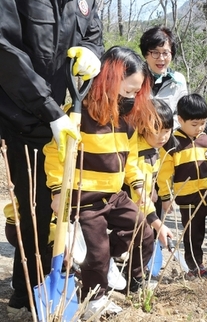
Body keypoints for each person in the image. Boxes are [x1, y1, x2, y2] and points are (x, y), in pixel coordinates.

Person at [0, 0, 103, 313]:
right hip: (15, 118)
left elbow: (92, 35)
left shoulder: (85, 2)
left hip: (58, 119)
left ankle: (30, 291)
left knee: (51, 208)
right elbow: (4, 50)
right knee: (32, 209)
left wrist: (92, 53)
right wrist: (49, 109)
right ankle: (28, 294)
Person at [44, 46, 157, 317]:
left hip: (114, 195)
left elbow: (129, 160)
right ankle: (95, 298)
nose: (131, 97)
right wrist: (59, 191)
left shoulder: (125, 120)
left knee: (143, 230)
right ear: (110, 79)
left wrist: (138, 186)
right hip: (85, 200)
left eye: (135, 92)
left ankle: (124, 273)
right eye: (128, 90)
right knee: (95, 254)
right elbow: (54, 154)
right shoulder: (78, 116)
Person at [157, 93, 207, 278]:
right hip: (187, 196)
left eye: (203, 123)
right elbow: (164, 174)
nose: (200, 128)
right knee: (193, 233)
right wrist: (165, 197)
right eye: (194, 124)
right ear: (180, 120)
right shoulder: (171, 143)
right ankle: (195, 266)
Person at [124, 98, 174, 246]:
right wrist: (157, 223)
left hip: (139, 205)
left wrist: (151, 188)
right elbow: (139, 197)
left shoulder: (151, 148)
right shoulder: (141, 154)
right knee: (141, 238)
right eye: (156, 131)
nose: (163, 137)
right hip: (132, 208)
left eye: (167, 131)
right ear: (142, 126)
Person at [139, 26, 188, 129]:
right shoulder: (135, 76)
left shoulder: (178, 80)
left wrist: (163, 129)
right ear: (145, 54)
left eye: (165, 53)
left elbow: (182, 115)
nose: (161, 58)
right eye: (155, 52)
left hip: (166, 139)